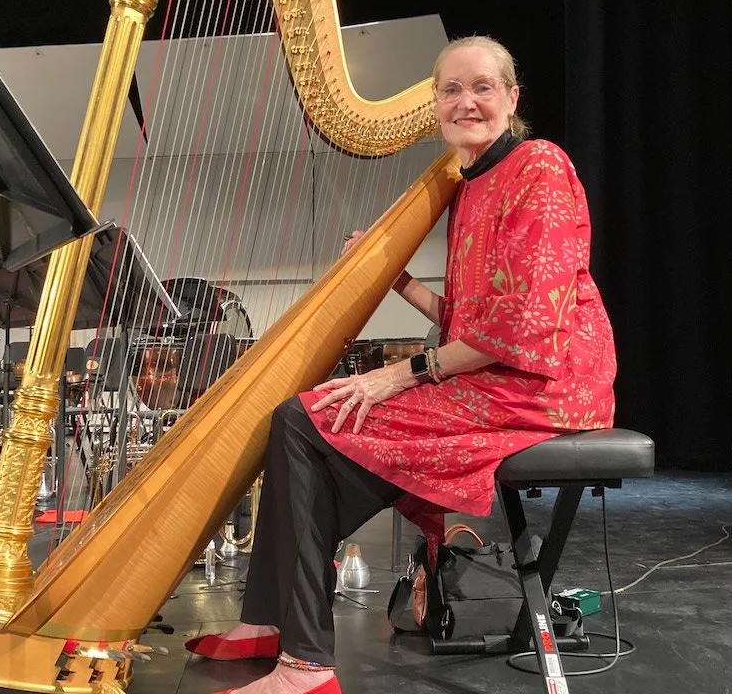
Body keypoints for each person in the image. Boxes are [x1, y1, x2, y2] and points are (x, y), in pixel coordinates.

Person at [184, 36, 617, 694]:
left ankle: (303, 663)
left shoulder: (539, 167)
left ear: (512, 97)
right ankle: (271, 623)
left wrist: (400, 373)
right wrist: (398, 282)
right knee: (301, 423)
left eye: (482, 87)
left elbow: (525, 329)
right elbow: (469, 321)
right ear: (435, 106)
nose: (466, 101)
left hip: (546, 388)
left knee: (305, 420)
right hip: (496, 376)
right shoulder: (470, 190)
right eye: (451, 89)